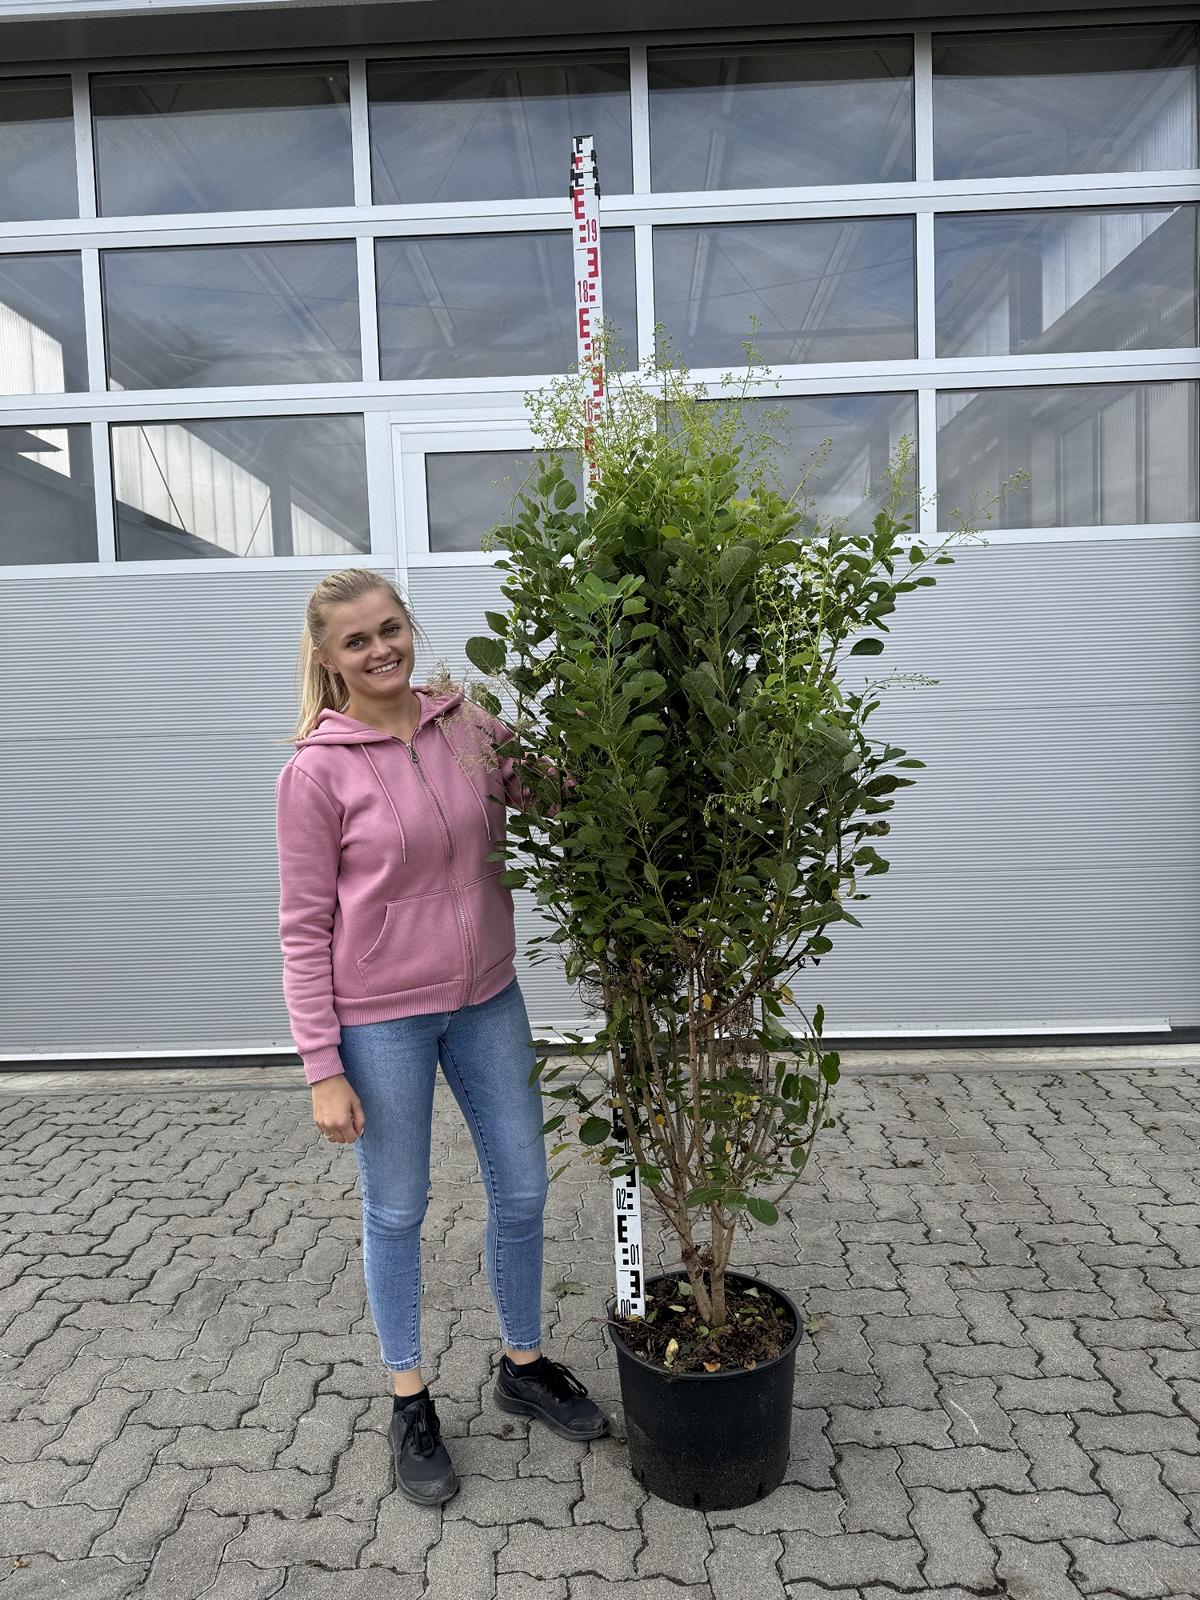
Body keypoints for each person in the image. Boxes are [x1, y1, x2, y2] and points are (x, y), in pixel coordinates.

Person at [274, 566, 607, 1506]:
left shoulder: (467, 727)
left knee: (525, 1188)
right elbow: (304, 930)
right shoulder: (315, 772)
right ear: (328, 658)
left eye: (391, 628)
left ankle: (523, 1362)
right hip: (381, 1019)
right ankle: (409, 1395)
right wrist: (321, 1069)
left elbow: (557, 796)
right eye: (357, 640)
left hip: (488, 998)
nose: (381, 649)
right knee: (398, 1209)